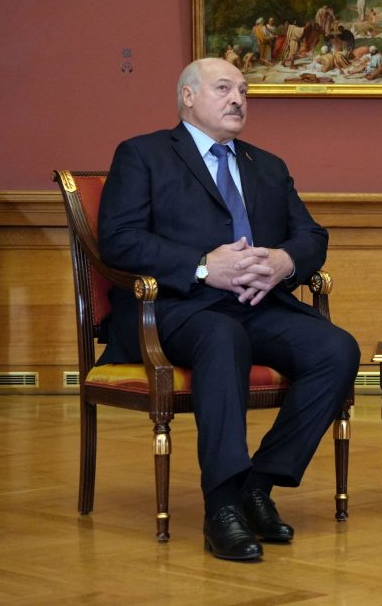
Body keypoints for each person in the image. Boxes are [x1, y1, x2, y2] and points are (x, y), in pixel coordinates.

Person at [97, 58, 361, 561]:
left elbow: (311, 235)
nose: (238, 99)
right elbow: (119, 240)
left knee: (336, 349)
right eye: (224, 88)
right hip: (174, 308)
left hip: (256, 306)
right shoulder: (143, 154)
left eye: (243, 91)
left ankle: (258, 487)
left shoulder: (268, 165)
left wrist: (283, 261)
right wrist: (201, 266)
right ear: (188, 96)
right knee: (222, 336)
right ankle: (221, 508)